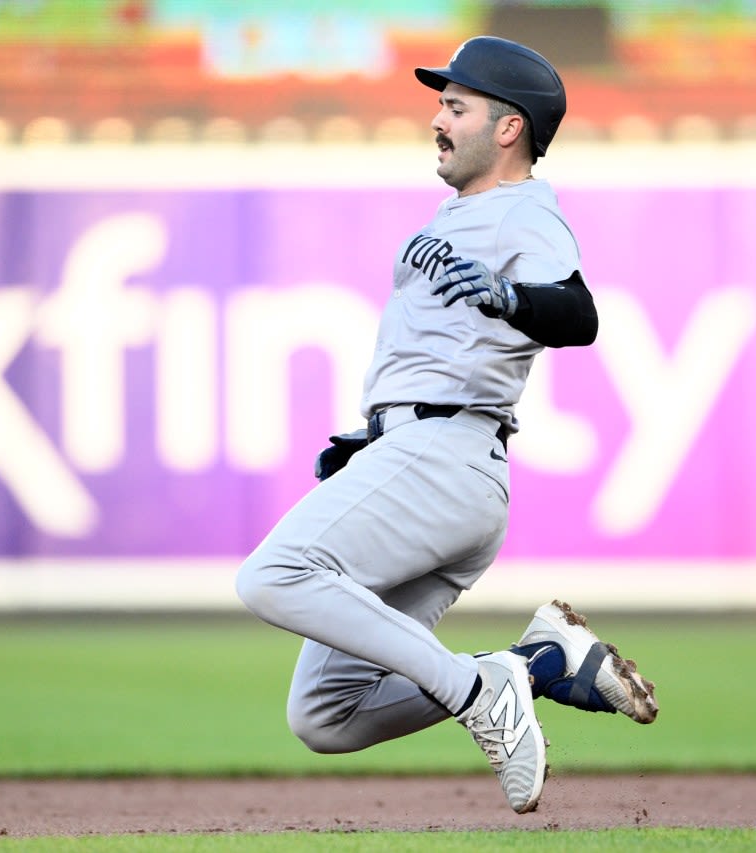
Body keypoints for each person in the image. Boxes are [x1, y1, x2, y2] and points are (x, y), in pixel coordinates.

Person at [235, 36, 657, 814]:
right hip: (431, 457)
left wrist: (509, 298)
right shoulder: (461, 214)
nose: (438, 118)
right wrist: (375, 438)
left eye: (456, 106)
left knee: (273, 574)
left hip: (445, 457)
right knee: (326, 716)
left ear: (508, 129)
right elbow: (451, 350)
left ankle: (479, 687)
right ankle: (533, 664)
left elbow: (578, 311)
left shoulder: (524, 209)